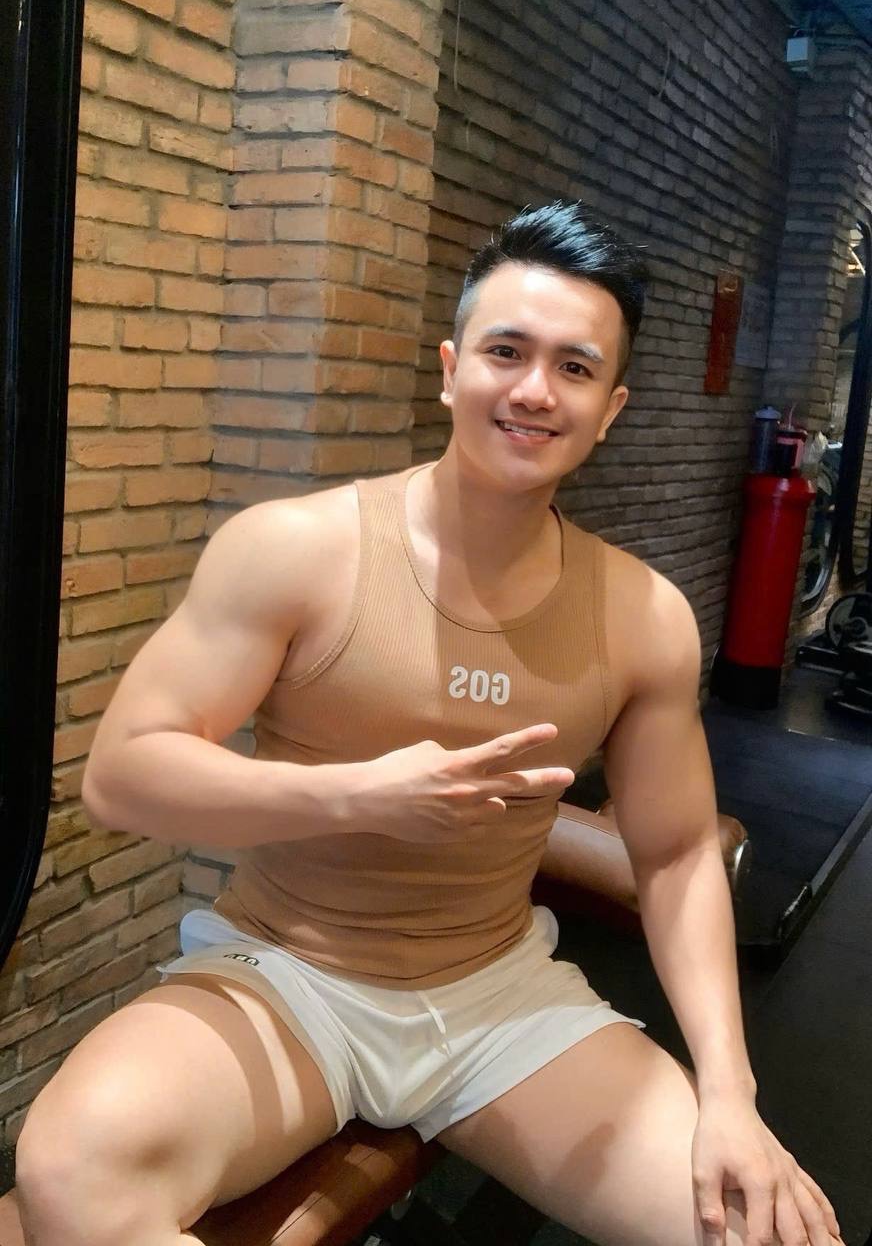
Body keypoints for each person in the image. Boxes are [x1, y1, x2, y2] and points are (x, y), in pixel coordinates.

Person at [16, 202, 842, 1246]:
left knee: (767, 1229)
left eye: (574, 368)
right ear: (452, 369)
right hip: (286, 977)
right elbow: (122, 776)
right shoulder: (293, 550)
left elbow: (676, 852)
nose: (534, 389)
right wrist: (358, 794)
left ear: (610, 408)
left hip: (500, 996)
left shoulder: (645, 618)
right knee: (72, 1173)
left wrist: (728, 1089)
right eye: (506, 351)